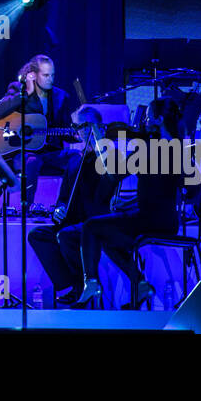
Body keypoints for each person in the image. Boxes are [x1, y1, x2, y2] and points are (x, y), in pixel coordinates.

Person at [76, 97, 187, 308]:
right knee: (107, 235)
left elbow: (113, 175)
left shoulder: (148, 148)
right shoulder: (180, 148)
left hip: (148, 220)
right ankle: (140, 284)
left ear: (158, 120)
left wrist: (100, 141)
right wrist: (129, 205)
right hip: (169, 221)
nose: (142, 123)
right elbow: (171, 191)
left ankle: (91, 283)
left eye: (147, 118)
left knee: (91, 227)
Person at [27, 106, 121, 305]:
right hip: (72, 222)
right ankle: (69, 285)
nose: (82, 131)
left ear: (100, 128)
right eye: (79, 127)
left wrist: (99, 148)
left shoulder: (110, 157)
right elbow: (63, 197)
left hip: (95, 223)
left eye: (87, 126)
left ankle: (82, 288)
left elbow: (108, 185)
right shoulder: (74, 161)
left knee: (66, 236)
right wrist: (59, 209)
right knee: (38, 235)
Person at [0, 55, 77, 205]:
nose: (50, 79)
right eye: (45, 75)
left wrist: (75, 135)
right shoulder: (18, 89)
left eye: (52, 75)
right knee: (32, 160)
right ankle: (27, 207)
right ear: (32, 74)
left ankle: (62, 206)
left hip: (51, 152)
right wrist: (27, 93)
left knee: (76, 157)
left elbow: (65, 129)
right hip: (24, 153)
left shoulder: (61, 96)